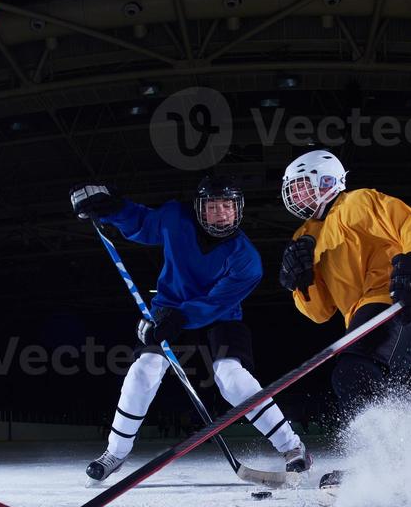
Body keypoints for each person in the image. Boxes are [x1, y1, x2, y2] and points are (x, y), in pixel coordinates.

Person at [70, 174, 310, 483]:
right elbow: (142, 223)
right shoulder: (175, 218)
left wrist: (179, 319)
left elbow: (215, 303)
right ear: (198, 208)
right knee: (145, 368)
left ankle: (292, 447)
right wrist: (110, 208)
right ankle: (115, 452)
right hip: (168, 307)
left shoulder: (247, 260)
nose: (221, 214)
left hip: (220, 315)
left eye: (228, 207)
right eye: (212, 207)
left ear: (239, 210)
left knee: (232, 378)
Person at [275, 149, 411, 409]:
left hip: (395, 299)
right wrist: (302, 283)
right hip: (360, 315)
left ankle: (385, 441)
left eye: (301, 186)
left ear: (327, 181)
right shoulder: (305, 235)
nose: (297, 195)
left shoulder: (357, 202)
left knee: (354, 374)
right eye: (293, 190)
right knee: (371, 380)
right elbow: (320, 312)